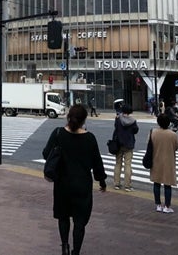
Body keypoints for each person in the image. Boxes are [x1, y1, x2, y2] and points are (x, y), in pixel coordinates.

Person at [42, 105, 107, 255]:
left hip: (62, 184)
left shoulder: (58, 133)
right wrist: (102, 182)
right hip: (82, 185)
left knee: (63, 217)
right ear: (84, 120)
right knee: (79, 222)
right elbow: (97, 164)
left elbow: (46, 154)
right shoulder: (89, 138)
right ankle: (75, 251)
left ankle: (64, 246)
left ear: (68, 117)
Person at [149, 113, 178, 213]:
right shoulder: (173, 135)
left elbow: (149, 146)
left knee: (156, 183)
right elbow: (176, 147)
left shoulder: (153, 133)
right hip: (168, 161)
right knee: (167, 184)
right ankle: (167, 206)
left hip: (156, 160)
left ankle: (158, 205)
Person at [113, 104, 139, 191]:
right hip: (129, 144)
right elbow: (135, 130)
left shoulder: (118, 118)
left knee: (118, 164)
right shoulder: (133, 120)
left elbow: (116, 128)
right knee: (128, 165)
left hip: (118, 143)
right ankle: (127, 186)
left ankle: (116, 184)